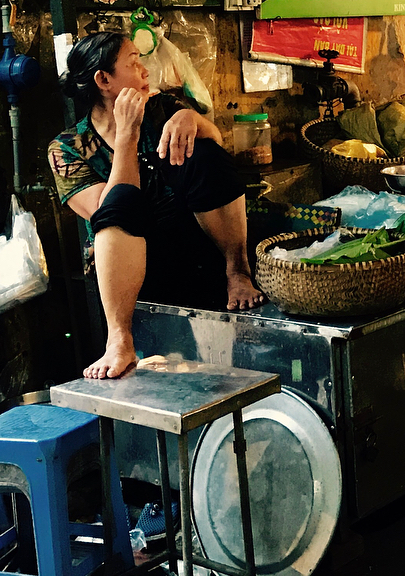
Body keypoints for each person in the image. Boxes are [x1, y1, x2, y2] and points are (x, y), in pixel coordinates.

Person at [49, 32, 263, 380]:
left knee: (208, 154)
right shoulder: (67, 148)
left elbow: (216, 149)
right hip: (131, 261)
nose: (145, 70)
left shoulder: (161, 109)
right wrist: (127, 136)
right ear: (103, 80)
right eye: (133, 63)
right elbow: (109, 209)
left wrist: (190, 119)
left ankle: (237, 272)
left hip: (190, 241)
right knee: (120, 202)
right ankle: (119, 339)